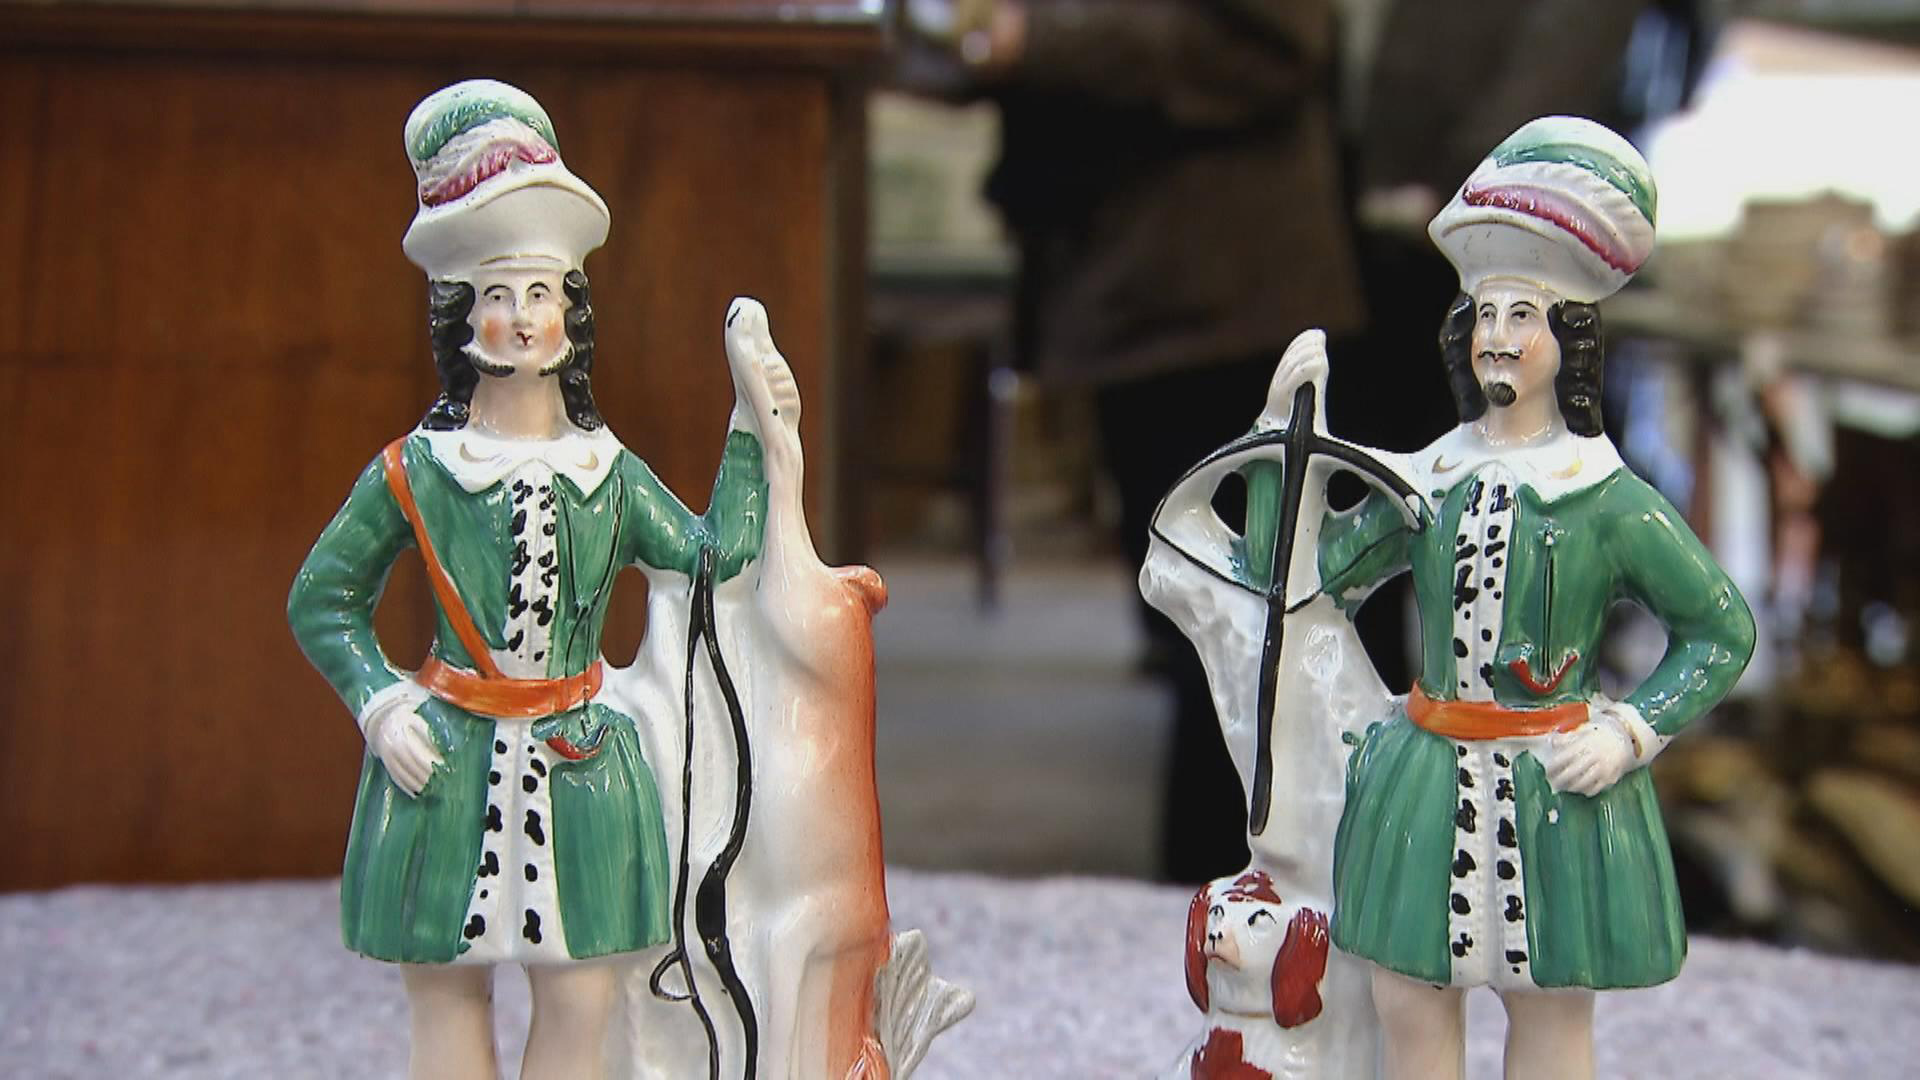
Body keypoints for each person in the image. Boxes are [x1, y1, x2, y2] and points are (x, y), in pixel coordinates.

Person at [287, 80, 771, 1080]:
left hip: (583, 768)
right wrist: (380, 703)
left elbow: (714, 555)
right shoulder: (418, 471)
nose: (519, 320)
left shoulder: (608, 472)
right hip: (442, 765)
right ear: (461, 315)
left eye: (540, 295)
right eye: (498, 296)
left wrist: (753, 431)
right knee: (446, 995)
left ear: (570, 315)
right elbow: (322, 599)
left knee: (579, 1001)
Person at [1317, 117, 1755, 1079]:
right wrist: (1308, 474)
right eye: (1485, 316)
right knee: (1409, 998)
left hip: (1559, 787)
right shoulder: (1430, 476)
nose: (1498, 340)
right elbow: (1329, 575)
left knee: (1550, 1011)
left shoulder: (1608, 499)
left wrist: (1632, 730)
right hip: (1430, 779)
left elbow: (1720, 631)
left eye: (1523, 317)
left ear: (1571, 337)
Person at [899, 0, 1364, 881]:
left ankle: (1256, 898)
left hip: (1223, 289)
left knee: (1246, 638)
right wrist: (977, 38)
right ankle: (1221, 896)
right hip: (1138, 288)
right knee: (1199, 631)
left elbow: (1274, 45)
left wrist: (1041, 41)